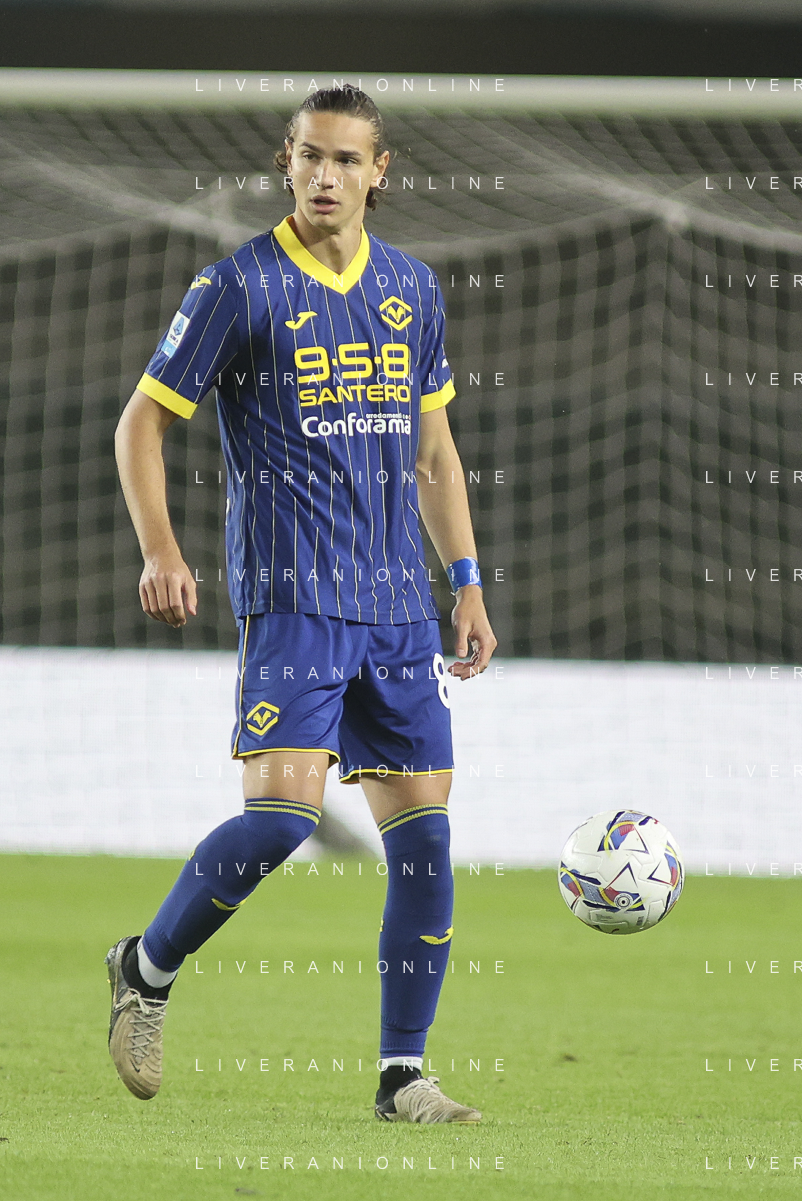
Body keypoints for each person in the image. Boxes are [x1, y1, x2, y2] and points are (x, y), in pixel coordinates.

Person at [106, 84, 497, 1124]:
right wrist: (161, 547)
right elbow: (140, 423)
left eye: (346, 159)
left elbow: (435, 455)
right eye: (310, 157)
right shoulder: (237, 286)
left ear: (379, 171)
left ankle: (402, 1076)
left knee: (425, 841)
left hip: (399, 608)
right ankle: (145, 967)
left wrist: (464, 581)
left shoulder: (411, 288)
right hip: (294, 603)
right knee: (280, 819)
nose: (326, 176)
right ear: (287, 162)